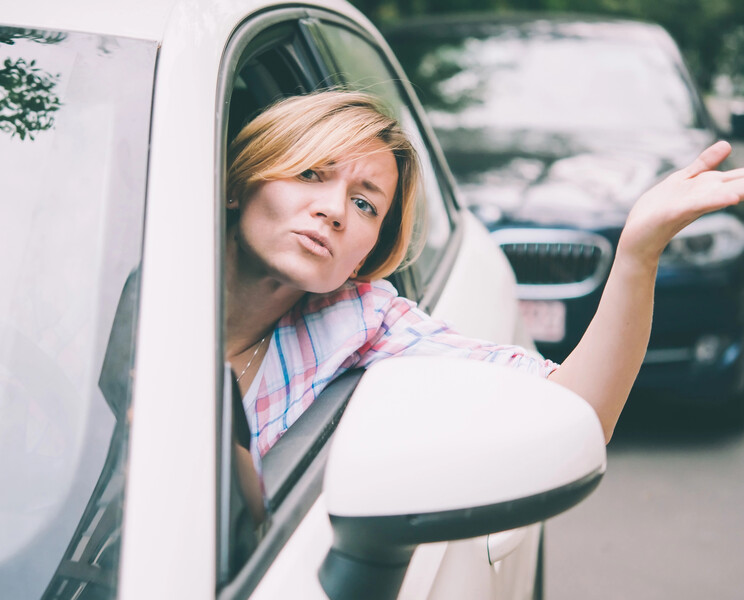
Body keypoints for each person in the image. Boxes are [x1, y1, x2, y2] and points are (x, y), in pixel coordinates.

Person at [224, 90, 744, 471]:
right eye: (310, 173)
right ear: (238, 184)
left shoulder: (362, 320)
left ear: (362, 258)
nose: (334, 210)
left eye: (365, 203)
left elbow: (575, 409)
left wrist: (639, 251)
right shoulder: (143, 264)